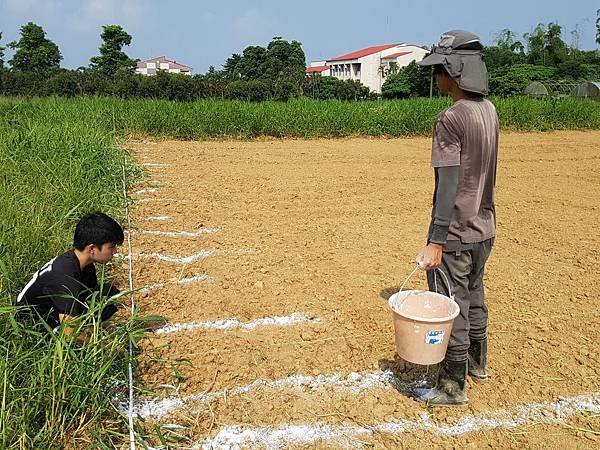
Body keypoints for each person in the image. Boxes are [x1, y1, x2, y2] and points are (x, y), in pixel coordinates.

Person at [412, 30, 499, 406]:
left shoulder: (450, 118)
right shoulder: (489, 110)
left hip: (457, 233)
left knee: (453, 303)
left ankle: (452, 385)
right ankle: (478, 363)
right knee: (474, 294)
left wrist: (435, 241)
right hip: (485, 228)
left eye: (441, 69)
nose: (437, 77)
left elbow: (447, 186)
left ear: (456, 71)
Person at [17, 212, 124, 336]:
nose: (115, 251)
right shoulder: (65, 275)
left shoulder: (84, 265)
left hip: (54, 313)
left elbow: (92, 303)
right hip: (33, 328)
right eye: (111, 247)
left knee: (104, 293)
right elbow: (69, 332)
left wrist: (110, 330)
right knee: (73, 333)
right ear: (92, 249)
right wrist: (107, 347)